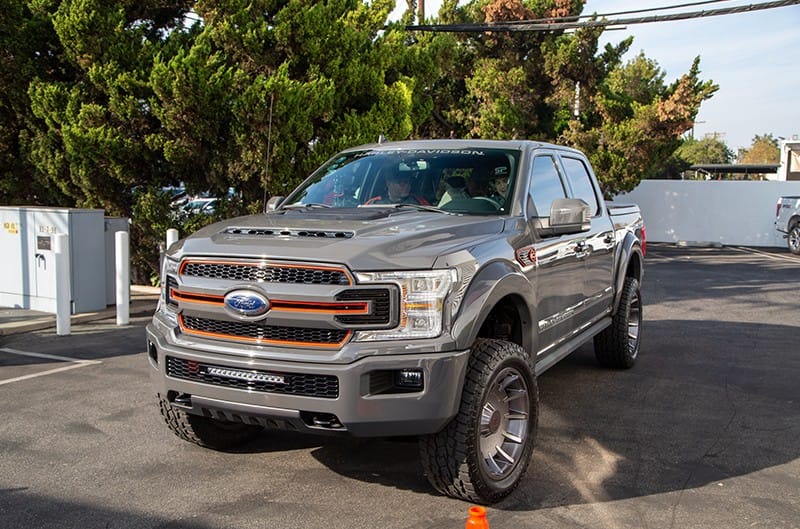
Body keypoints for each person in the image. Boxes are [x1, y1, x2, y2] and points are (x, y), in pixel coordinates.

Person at [366, 172, 430, 205]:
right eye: (401, 183)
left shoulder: (419, 202)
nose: (407, 186)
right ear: (388, 184)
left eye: (408, 182)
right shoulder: (373, 203)